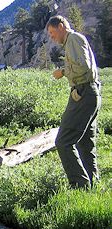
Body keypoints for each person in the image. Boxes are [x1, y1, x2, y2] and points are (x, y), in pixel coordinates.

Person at [46, 15, 101, 189]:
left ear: (61, 26)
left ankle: (80, 185)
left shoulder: (74, 39)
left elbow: (82, 67)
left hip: (83, 93)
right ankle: (93, 184)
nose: (52, 37)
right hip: (91, 94)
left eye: (52, 32)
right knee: (85, 143)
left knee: (63, 141)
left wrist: (63, 72)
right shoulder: (73, 41)